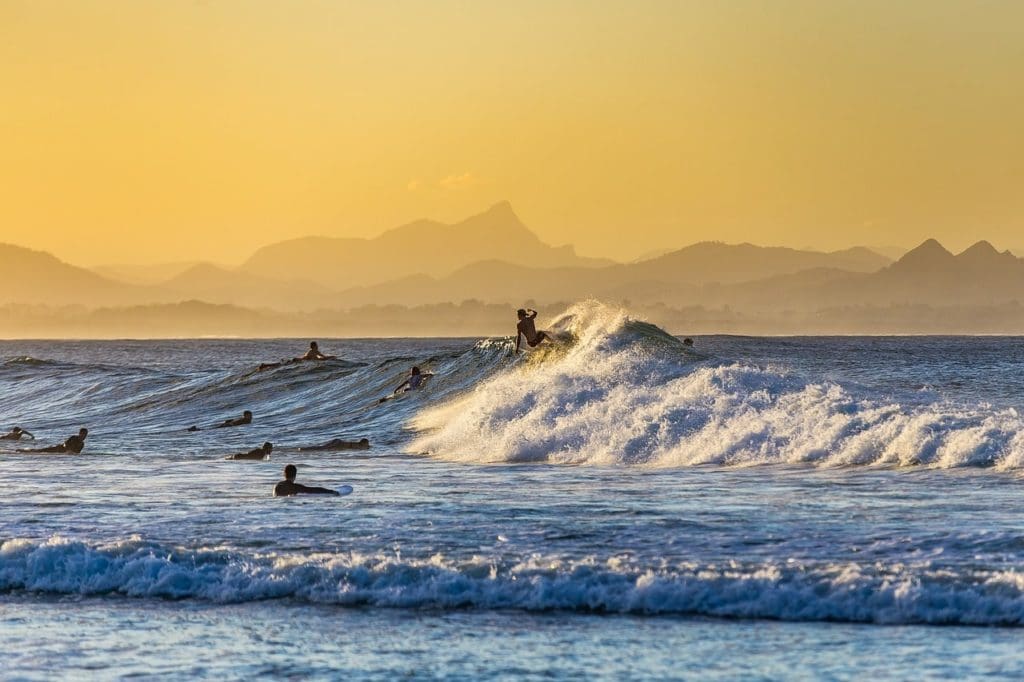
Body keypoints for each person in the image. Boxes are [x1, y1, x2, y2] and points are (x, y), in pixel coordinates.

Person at [274, 464, 341, 496]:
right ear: (295, 475)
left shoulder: (278, 486)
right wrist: (331, 491)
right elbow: (313, 490)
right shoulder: (295, 487)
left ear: (284, 474)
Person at [22, 428, 88, 454]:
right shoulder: (74, 437)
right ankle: (24, 450)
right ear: (80, 433)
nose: (84, 436)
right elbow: (65, 443)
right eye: (83, 434)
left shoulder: (82, 444)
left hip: (61, 453)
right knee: (39, 451)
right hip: (57, 448)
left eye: (86, 435)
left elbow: (77, 453)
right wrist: (67, 449)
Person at [299, 437, 370, 451]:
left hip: (338, 442)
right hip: (337, 443)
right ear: (364, 443)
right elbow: (365, 447)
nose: (368, 444)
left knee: (321, 448)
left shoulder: (359, 445)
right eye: (367, 443)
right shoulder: (358, 446)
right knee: (322, 448)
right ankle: (303, 449)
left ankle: (303, 449)